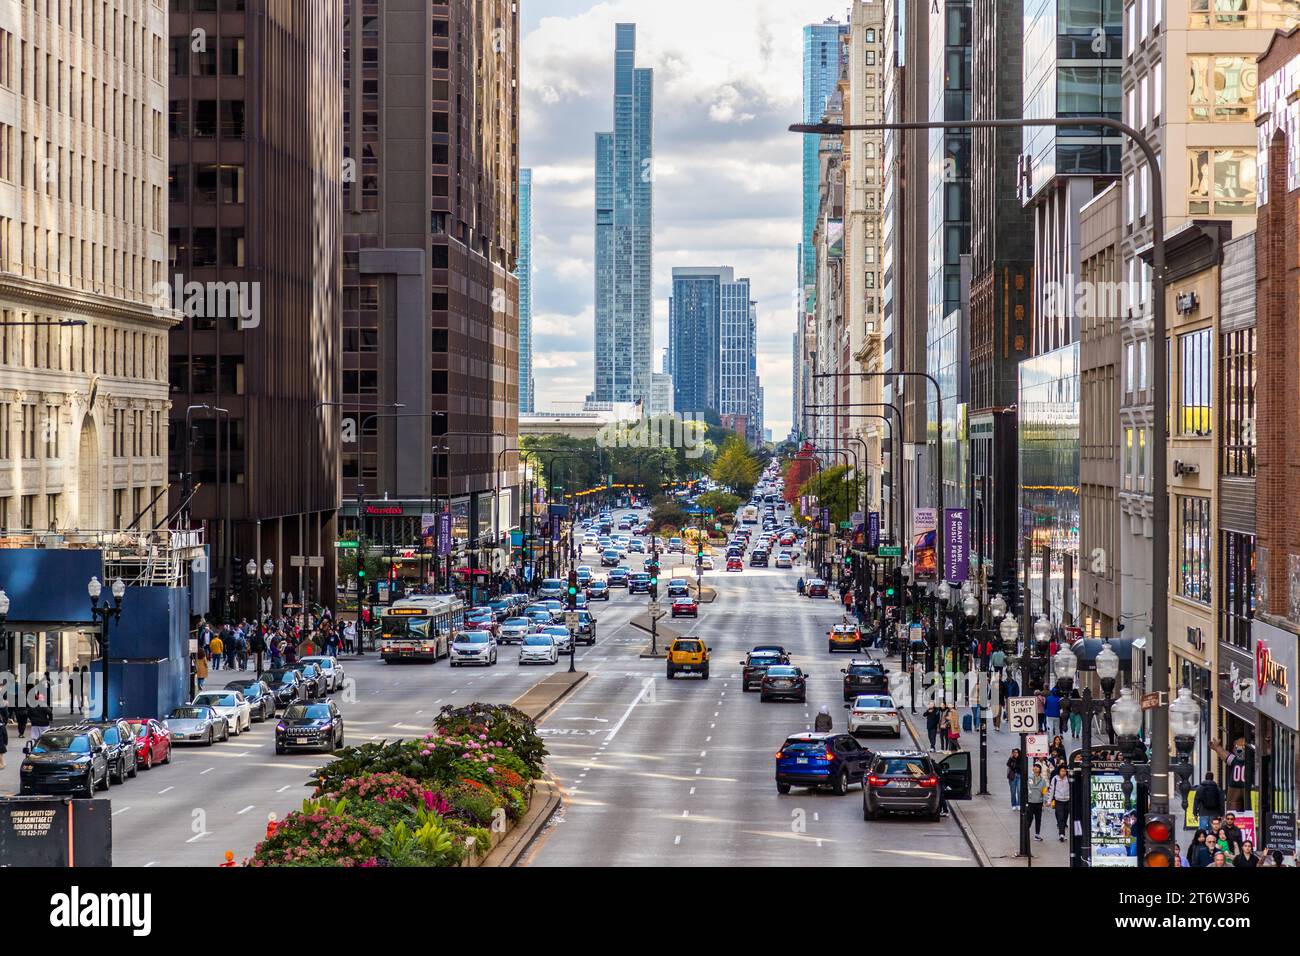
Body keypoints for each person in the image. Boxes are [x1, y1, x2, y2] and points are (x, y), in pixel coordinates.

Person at [1047, 764, 1071, 842]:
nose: (1063, 773)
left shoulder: (1068, 779)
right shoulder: (1055, 779)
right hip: (1058, 801)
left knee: (1065, 818)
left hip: (1067, 801)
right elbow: (1051, 790)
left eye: (1065, 771)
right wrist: (1049, 801)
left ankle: (1062, 832)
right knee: (1060, 817)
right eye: (1062, 771)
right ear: (1059, 771)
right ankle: (1061, 834)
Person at [1026, 762, 1048, 840]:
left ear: (1040, 770)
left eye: (1037, 767)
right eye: (1034, 766)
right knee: (1029, 817)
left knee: (1038, 818)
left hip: (1039, 802)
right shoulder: (1029, 778)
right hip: (1030, 801)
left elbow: (1044, 791)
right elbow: (1026, 788)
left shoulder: (1043, 780)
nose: (1035, 768)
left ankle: (1037, 834)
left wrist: (1045, 800)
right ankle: (1026, 831)